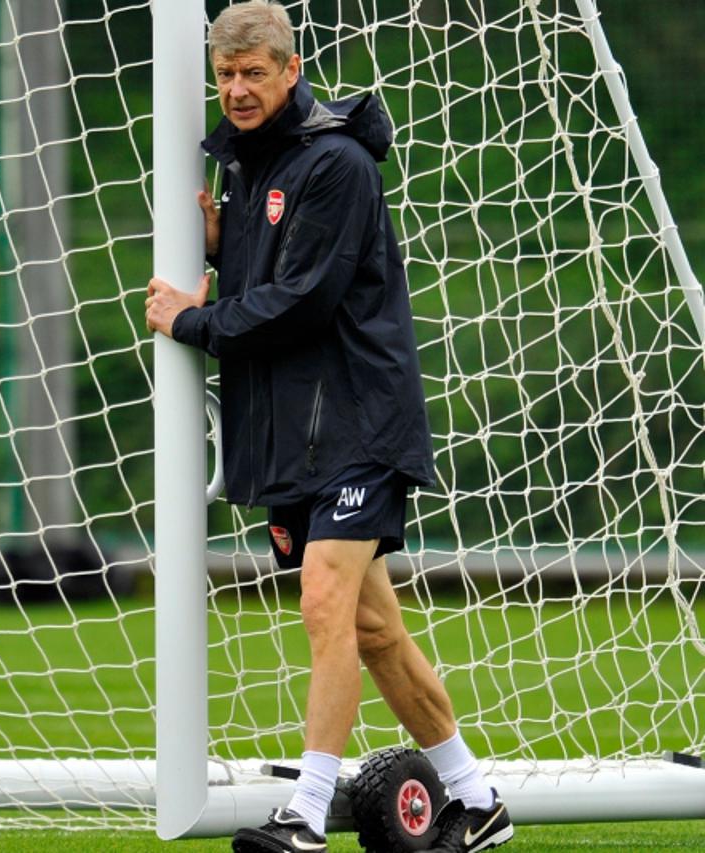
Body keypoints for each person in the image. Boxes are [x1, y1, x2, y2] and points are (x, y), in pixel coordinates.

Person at [143, 3, 513, 852]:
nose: (236, 90)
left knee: (325, 603)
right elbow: (270, 272)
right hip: (293, 439)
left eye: (253, 74)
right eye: (225, 74)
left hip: (358, 423)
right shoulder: (250, 165)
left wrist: (193, 319)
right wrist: (225, 246)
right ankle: (476, 798)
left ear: (291, 68)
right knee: (376, 629)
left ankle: (305, 814)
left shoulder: (339, 162)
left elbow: (306, 302)